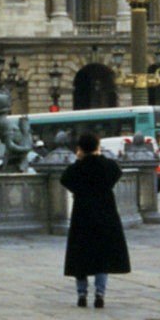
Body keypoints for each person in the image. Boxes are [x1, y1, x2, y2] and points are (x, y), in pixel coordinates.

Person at [61, 131, 131, 308]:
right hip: (105, 214)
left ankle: (82, 294)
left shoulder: (78, 167)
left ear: (80, 149)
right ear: (97, 147)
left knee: (81, 256)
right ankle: (100, 293)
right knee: (102, 256)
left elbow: (65, 179)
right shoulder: (108, 166)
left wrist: (79, 160)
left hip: (82, 215)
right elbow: (117, 172)